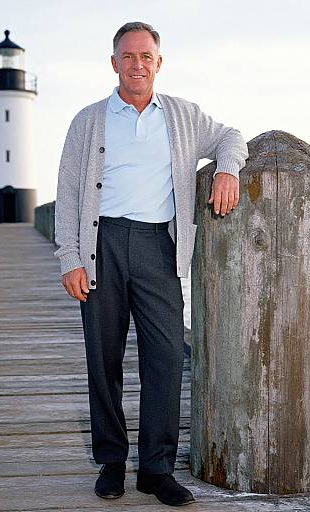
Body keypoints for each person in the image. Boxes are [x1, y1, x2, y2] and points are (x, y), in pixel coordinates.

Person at [54, 21, 248, 507]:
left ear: (158, 63)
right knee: (104, 360)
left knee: (164, 359)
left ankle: (156, 470)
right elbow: (67, 194)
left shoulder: (182, 116)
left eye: (146, 56)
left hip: (159, 246)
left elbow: (232, 135)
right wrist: (69, 257)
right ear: (113, 62)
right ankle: (113, 462)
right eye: (127, 56)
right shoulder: (88, 121)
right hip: (102, 244)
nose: (136, 63)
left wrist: (227, 169)